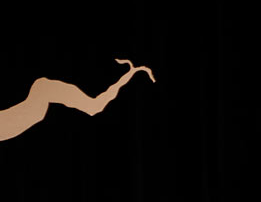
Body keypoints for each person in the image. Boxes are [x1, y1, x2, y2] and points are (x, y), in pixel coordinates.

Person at [0, 58, 155, 141]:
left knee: (43, 87)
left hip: (26, 110)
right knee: (43, 87)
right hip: (26, 111)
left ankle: (129, 74)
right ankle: (129, 74)